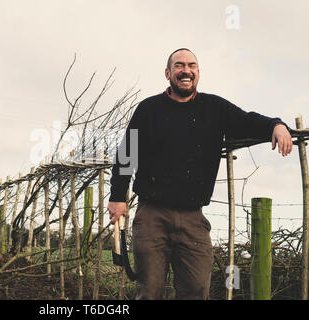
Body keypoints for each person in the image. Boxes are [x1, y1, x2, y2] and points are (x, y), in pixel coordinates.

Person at [107, 48, 293, 300]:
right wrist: (118, 197)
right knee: (149, 291)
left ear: (197, 72)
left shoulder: (214, 108)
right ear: (168, 73)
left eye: (192, 65)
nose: (186, 71)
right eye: (179, 65)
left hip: (193, 218)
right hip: (152, 215)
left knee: (196, 290)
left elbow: (246, 120)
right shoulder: (148, 109)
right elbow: (127, 154)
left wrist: (276, 124)